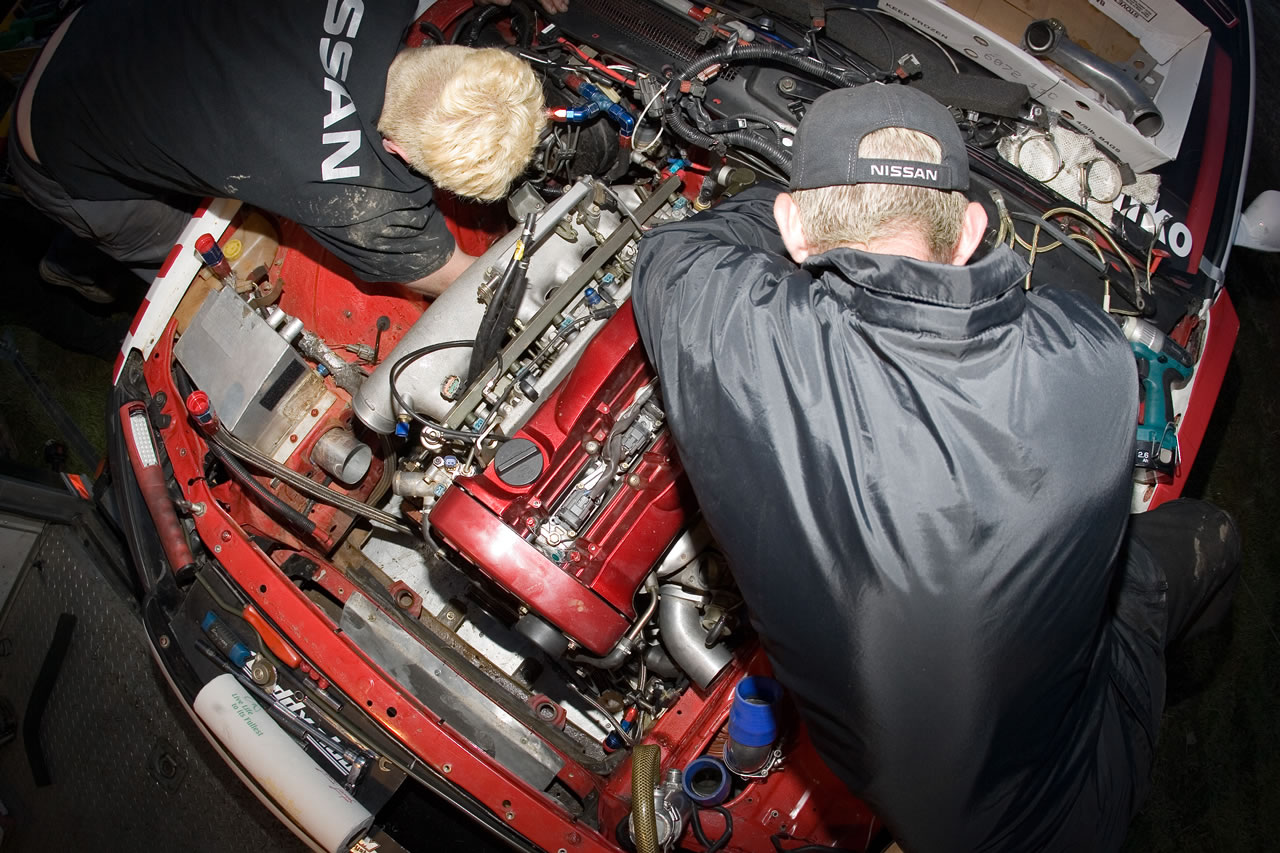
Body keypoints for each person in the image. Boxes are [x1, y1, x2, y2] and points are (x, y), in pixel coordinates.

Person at [630, 84, 1241, 852]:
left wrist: (798, 211)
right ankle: (1185, 670)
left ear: (792, 225)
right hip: (1074, 792)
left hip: (920, 789)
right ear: (973, 230)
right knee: (1210, 536)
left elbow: (680, 250)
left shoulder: (730, 331)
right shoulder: (1092, 361)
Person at [10, 0, 548, 303]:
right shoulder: (355, 198)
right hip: (57, 140)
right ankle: (76, 265)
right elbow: (466, 282)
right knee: (204, 277)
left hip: (101, 23)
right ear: (397, 151)